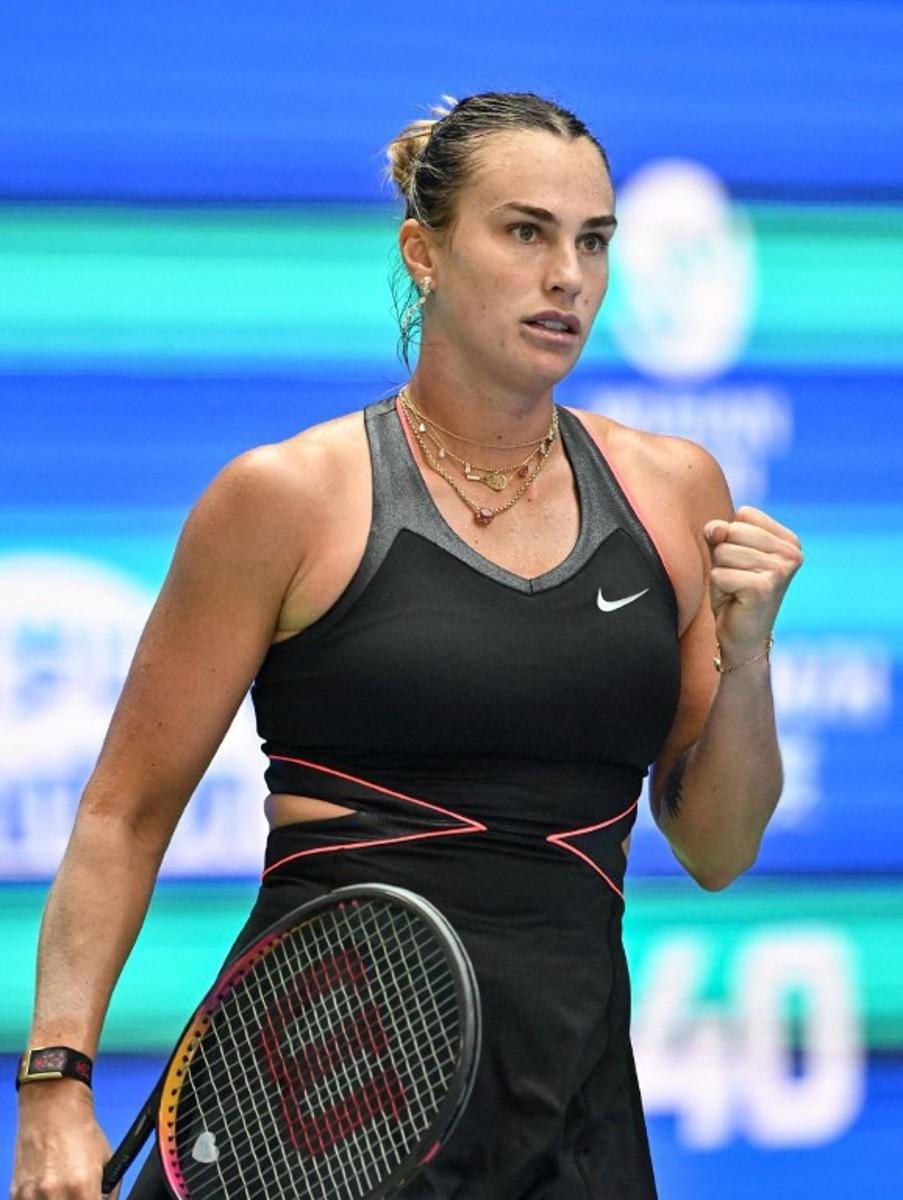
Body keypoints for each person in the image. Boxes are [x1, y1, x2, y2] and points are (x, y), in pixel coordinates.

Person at [12, 91, 802, 1200]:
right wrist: (56, 1088)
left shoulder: (675, 495)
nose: (567, 275)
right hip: (314, 1107)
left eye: (593, 241)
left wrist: (752, 657)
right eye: (525, 232)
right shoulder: (288, 499)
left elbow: (717, 848)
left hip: (572, 1110)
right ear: (422, 252)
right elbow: (122, 812)